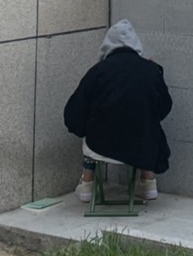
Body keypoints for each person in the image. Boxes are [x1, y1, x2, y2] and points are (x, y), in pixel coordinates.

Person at [64, 19, 172, 202]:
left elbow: (74, 112)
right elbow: (164, 106)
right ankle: (148, 181)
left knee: (92, 128)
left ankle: (87, 183)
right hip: (142, 145)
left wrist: (83, 128)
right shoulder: (151, 70)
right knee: (149, 126)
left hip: (100, 146)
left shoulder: (98, 71)